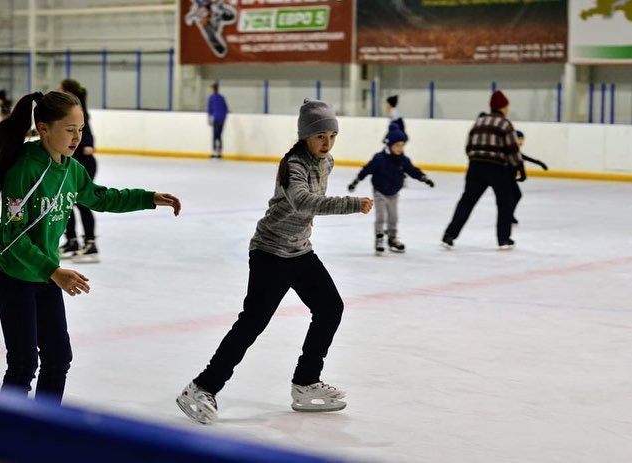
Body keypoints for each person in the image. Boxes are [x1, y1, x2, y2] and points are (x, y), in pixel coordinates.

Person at [0, 91, 181, 403]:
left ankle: (42, 429)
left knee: (58, 358)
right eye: (69, 130)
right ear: (44, 128)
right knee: (23, 364)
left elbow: (101, 198)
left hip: (46, 275)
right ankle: (9, 435)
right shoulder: (26, 169)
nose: (77, 137)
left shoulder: (72, 169)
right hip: (14, 276)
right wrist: (54, 271)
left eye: (80, 129)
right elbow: (11, 241)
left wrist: (148, 198)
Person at [177, 99, 373, 424]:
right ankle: (201, 387)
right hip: (270, 253)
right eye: (320, 136)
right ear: (305, 136)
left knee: (329, 308)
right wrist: (351, 204)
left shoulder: (327, 162)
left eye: (332, 135)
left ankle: (306, 382)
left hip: (300, 250)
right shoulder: (293, 164)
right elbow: (303, 202)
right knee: (253, 322)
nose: (327, 143)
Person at [441, 90, 520, 250]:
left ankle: (449, 235)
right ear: (503, 107)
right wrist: (517, 166)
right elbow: (512, 148)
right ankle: (503, 239)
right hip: (497, 168)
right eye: (507, 106)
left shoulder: (479, 122)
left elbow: (468, 147)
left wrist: (475, 160)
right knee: (505, 203)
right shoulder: (505, 124)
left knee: (466, 202)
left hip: (475, 167)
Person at [348, 123, 434, 255]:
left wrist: (424, 178)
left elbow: (412, 170)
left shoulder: (403, 160)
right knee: (381, 217)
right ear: (389, 145)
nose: (400, 148)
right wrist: (356, 181)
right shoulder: (379, 158)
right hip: (380, 192)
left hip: (394, 193)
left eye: (402, 145)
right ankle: (379, 238)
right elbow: (367, 169)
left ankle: (392, 239)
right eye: (397, 145)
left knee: (393, 218)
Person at [57, 79, 99, 262]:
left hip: (84, 164)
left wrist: (88, 144)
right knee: (67, 204)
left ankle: (91, 244)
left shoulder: (78, 112)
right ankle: (72, 241)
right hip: (73, 163)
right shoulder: (69, 113)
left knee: (82, 203)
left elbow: (87, 134)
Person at [511, 130, 548, 224]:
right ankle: (508, 215)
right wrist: (523, 174)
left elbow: (523, 158)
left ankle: (509, 215)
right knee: (515, 196)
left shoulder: (515, 149)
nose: (521, 142)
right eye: (519, 139)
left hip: (510, 178)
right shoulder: (512, 150)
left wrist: (539, 163)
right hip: (506, 177)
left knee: (516, 195)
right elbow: (520, 161)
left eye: (522, 139)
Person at [207, 82, 228, 158]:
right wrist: (224, 117)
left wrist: (209, 119)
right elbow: (225, 108)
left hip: (216, 118)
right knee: (219, 135)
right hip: (222, 118)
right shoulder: (221, 97)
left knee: (215, 135)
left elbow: (209, 109)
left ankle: (214, 151)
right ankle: (219, 152)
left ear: (213, 89)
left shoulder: (211, 98)